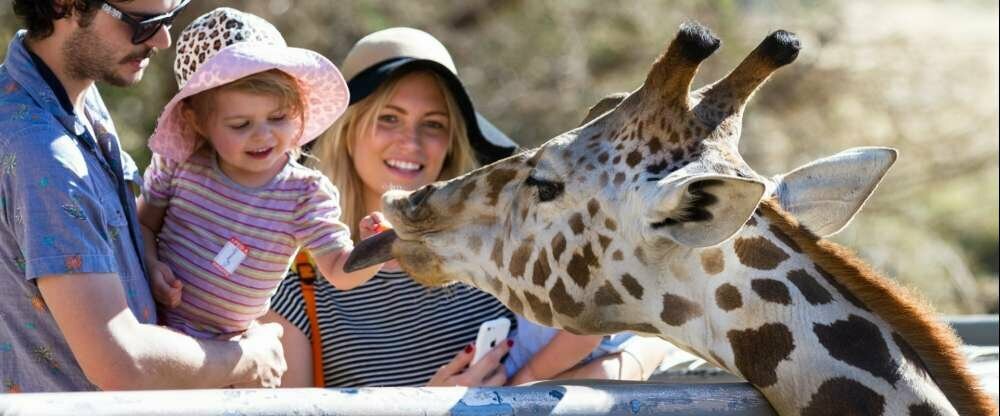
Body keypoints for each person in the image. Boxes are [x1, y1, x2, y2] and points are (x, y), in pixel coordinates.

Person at [262, 27, 671, 388]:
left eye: (434, 124)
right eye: (389, 118)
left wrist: (519, 389)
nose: (412, 142)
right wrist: (426, 406)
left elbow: (638, 340)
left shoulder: (496, 253)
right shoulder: (295, 281)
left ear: (451, 141)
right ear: (346, 131)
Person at [0, 1, 287, 392]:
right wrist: (248, 359)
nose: (163, 39)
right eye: (142, 23)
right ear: (63, 5)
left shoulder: (75, 98)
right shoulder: (43, 153)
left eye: (169, 18)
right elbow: (121, 360)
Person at [138, 8, 385, 342]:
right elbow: (142, 224)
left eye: (279, 117)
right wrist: (151, 264)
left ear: (297, 110)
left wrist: (378, 246)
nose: (263, 136)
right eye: (241, 125)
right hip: (153, 324)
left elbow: (339, 270)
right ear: (198, 121)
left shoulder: (304, 194)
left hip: (228, 346)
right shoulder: (181, 163)